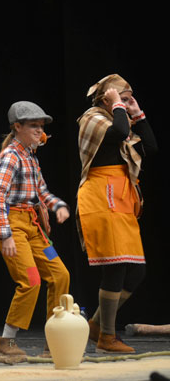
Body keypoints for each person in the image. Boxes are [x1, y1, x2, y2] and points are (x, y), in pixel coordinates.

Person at [76, 75, 157, 353]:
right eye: (122, 96)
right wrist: (117, 105)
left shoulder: (119, 119)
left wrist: (138, 113)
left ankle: (97, 324)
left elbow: (150, 147)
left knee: (136, 271)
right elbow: (120, 133)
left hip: (121, 197)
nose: (125, 102)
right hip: (101, 196)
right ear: (105, 98)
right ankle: (106, 338)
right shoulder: (92, 118)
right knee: (116, 266)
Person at [0, 101, 71, 356]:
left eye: (41, 126)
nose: (39, 131)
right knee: (30, 280)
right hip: (12, 224)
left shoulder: (30, 156)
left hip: (32, 227)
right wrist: (5, 234)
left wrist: (57, 206)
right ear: (17, 127)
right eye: (33, 126)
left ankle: (53, 340)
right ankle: (7, 342)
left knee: (60, 275)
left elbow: (41, 191)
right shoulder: (11, 156)